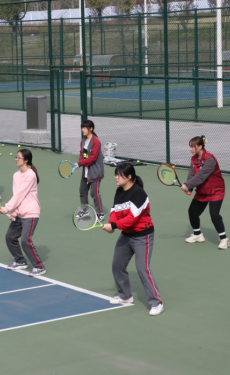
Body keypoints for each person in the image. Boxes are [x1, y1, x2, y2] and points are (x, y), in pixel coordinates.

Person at [102, 163, 163, 316]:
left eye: (119, 175)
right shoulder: (119, 191)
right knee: (117, 264)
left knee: (143, 269)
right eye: (116, 174)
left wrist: (114, 226)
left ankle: (156, 303)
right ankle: (125, 296)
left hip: (143, 236)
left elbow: (131, 219)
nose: (116, 177)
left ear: (129, 177)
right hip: (127, 235)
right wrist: (111, 224)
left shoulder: (139, 193)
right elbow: (114, 212)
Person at [0, 149, 45, 277]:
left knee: (25, 240)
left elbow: (20, 194)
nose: (16, 159)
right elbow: (17, 195)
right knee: (10, 237)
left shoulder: (31, 175)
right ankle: (20, 261)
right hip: (20, 213)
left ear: (26, 160)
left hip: (31, 213)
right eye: (16, 157)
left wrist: (7, 208)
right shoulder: (16, 175)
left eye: (19, 158)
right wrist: (14, 212)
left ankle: (39, 267)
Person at [180, 135, 230, 249]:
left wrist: (187, 185)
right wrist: (189, 188)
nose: (191, 149)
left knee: (214, 214)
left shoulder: (210, 159)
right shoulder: (194, 159)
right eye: (190, 147)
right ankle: (197, 235)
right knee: (192, 211)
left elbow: (201, 176)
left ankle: (224, 240)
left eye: (193, 147)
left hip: (216, 190)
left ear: (200, 146)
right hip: (202, 191)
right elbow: (191, 174)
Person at [75, 120, 104, 221]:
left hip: (95, 172)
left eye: (85, 128)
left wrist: (80, 163)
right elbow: (82, 153)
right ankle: (84, 210)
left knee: (94, 193)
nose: (83, 130)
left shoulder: (96, 141)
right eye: (82, 128)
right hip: (86, 172)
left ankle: (100, 213)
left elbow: (93, 158)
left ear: (91, 129)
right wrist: (80, 161)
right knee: (82, 191)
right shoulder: (83, 140)